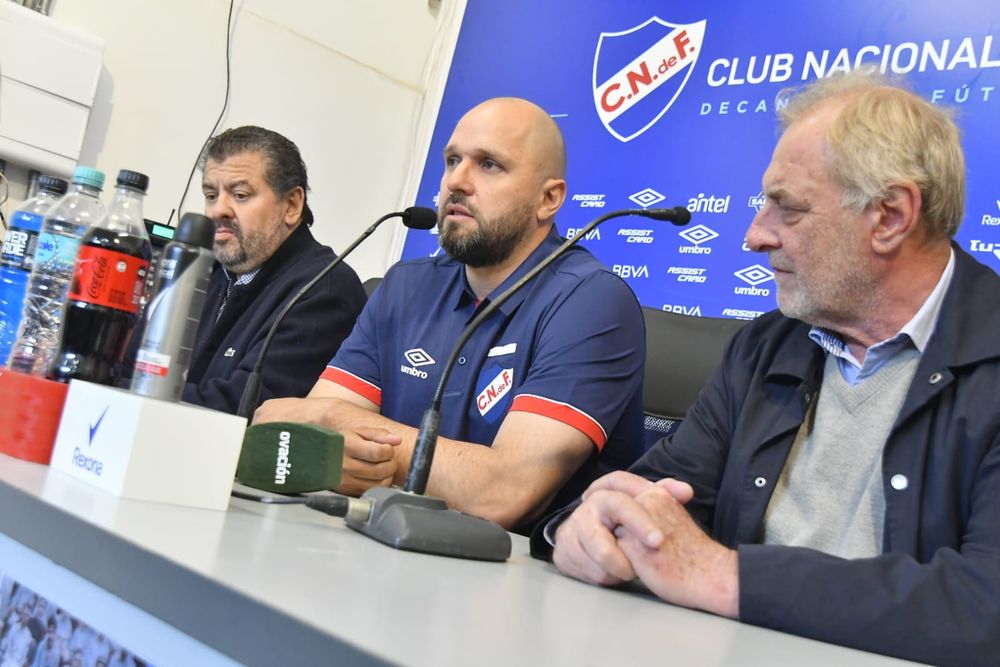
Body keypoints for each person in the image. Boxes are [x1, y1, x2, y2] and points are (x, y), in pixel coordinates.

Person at [540, 70, 1000, 666]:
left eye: (788, 208)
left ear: (890, 217)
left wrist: (722, 577)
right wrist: (581, 528)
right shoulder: (765, 348)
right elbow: (652, 497)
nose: (755, 235)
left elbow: (984, 604)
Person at [255, 97, 646, 534]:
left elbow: (502, 493)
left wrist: (346, 431)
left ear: (548, 198)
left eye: (489, 165)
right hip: (380, 539)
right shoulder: (405, 285)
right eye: (452, 161)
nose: (456, 181)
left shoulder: (590, 301)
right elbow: (298, 431)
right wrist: (327, 429)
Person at [183, 126, 367, 414]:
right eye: (210, 195)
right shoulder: (202, 271)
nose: (218, 210)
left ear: (291, 205)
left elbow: (242, 409)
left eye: (240, 195)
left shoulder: (324, 290)